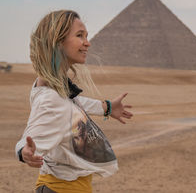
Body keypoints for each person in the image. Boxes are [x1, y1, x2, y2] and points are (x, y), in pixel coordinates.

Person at [15, 10, 133, 193]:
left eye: (86, 35)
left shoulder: (55, 87)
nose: (88, 42)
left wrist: (107, 107)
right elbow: (33, 132)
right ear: (57, 41)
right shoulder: (50, 99)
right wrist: (24, 151)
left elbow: (72, 104)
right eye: (80, 36)